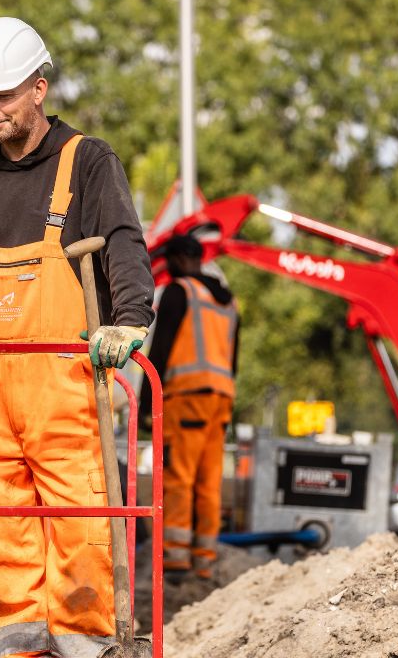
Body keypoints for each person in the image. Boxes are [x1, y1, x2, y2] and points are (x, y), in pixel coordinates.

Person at [0, 17, 154, 658]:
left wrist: (130, 320)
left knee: (81, 524)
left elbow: (125, 247)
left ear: (38, 89)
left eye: (1, 97)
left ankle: (84, 645)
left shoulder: (88, 163)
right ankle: (16, 648)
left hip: (65, 391)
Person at [140, 234, 238, 581]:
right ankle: (204, 558)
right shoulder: (227, 302)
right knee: (209, 479)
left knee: (179, 475)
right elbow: (233, 357)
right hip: (221, 397)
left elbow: (161, 351)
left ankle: (176, 558)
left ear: (181, 259)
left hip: (187, 397)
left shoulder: (180, 292)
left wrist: (145, 404)